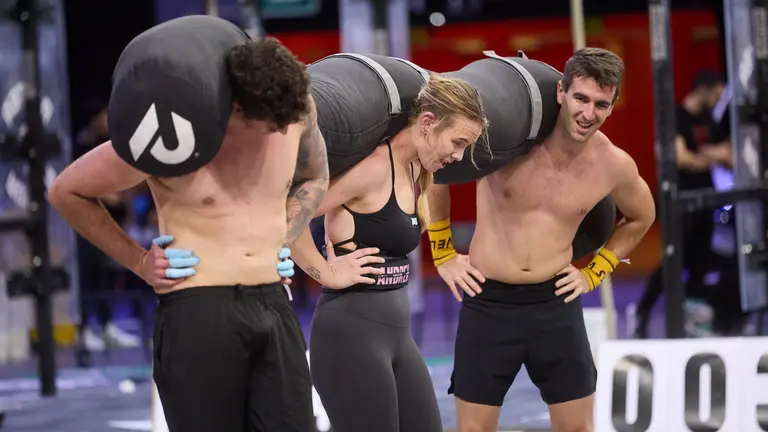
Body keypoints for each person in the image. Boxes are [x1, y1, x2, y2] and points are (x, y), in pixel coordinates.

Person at [48, 35, 328, 432]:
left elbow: (315, 176)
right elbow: (66, 191)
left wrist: (283, 237)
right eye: (262, 121)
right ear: (235, 101)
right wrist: (140, 261)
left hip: (273, 302)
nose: (274, 132)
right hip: (199, 309)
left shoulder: (294, 110)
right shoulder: (174, 127)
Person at [426, 48, 656, 432]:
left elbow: (642, 216)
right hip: (488, 303)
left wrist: (596, 271)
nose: (588, 113)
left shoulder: (612, 164)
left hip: (555, 304)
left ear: (612, 107)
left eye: (601, 104)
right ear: (561, 92)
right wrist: (443, 251)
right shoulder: (510, 139)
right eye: (581, 98)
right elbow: (436, 171)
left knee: (577, 429)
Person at [289, 54, 487, 432]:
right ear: (427, 123)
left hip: (395, 337)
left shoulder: (417, 169)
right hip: (350, 337)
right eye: (458, 142)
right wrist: (325, 271)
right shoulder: (375, 167)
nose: (458, 156)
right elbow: (290, 213)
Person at [633, 70, 728, 338]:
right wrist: (710, 157)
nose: (718, 99)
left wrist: (710, 155)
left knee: (701, 260)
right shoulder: (677, 117)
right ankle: (642, 311)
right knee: (675, 260)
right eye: (716, 93)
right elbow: (681, 158)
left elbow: (727, 150)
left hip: (705, 199)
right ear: (704, 90)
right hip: (679, 201)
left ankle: (694, 320)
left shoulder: (710, 119)